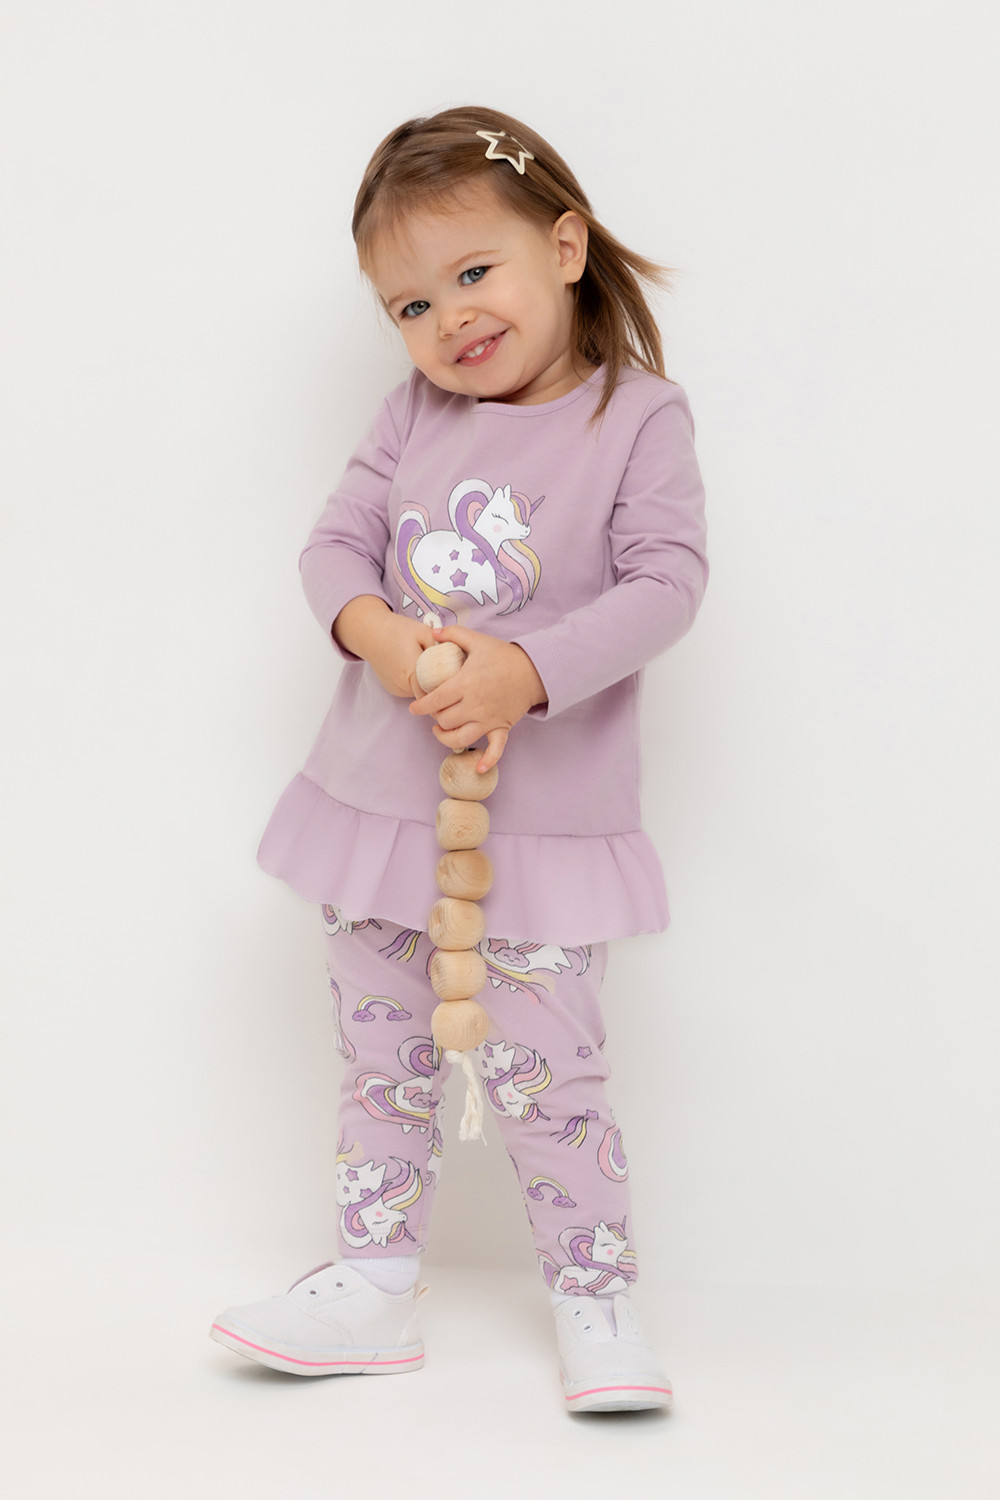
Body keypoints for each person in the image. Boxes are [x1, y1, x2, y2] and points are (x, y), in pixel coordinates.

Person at [209, 106, 708, 1414]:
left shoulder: (637, 420)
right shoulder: (411, 415)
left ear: (565, 246)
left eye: (474, 272)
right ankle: (373, 1280)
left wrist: (523, 673)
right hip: (379, 814)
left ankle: (594, 1297)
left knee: (552, 1076)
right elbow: (333, 548)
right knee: (383, 1060)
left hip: (539, 833)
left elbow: (666, 585)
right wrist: (379, 638)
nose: (450, 320)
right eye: (413, 304)